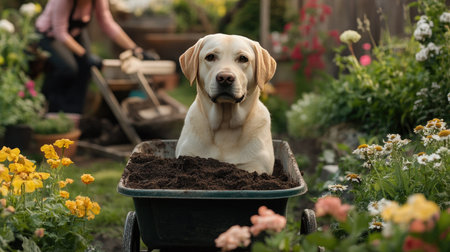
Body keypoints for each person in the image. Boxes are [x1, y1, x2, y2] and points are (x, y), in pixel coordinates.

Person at [35, 0, 148, 114]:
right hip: (49, 35)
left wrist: (135, 49)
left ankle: (74, 113)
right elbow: (60, 32)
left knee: (86, 68)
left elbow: (107, 23)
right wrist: (85, 55)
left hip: (74, 33)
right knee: (67, 68)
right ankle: (50, 108)